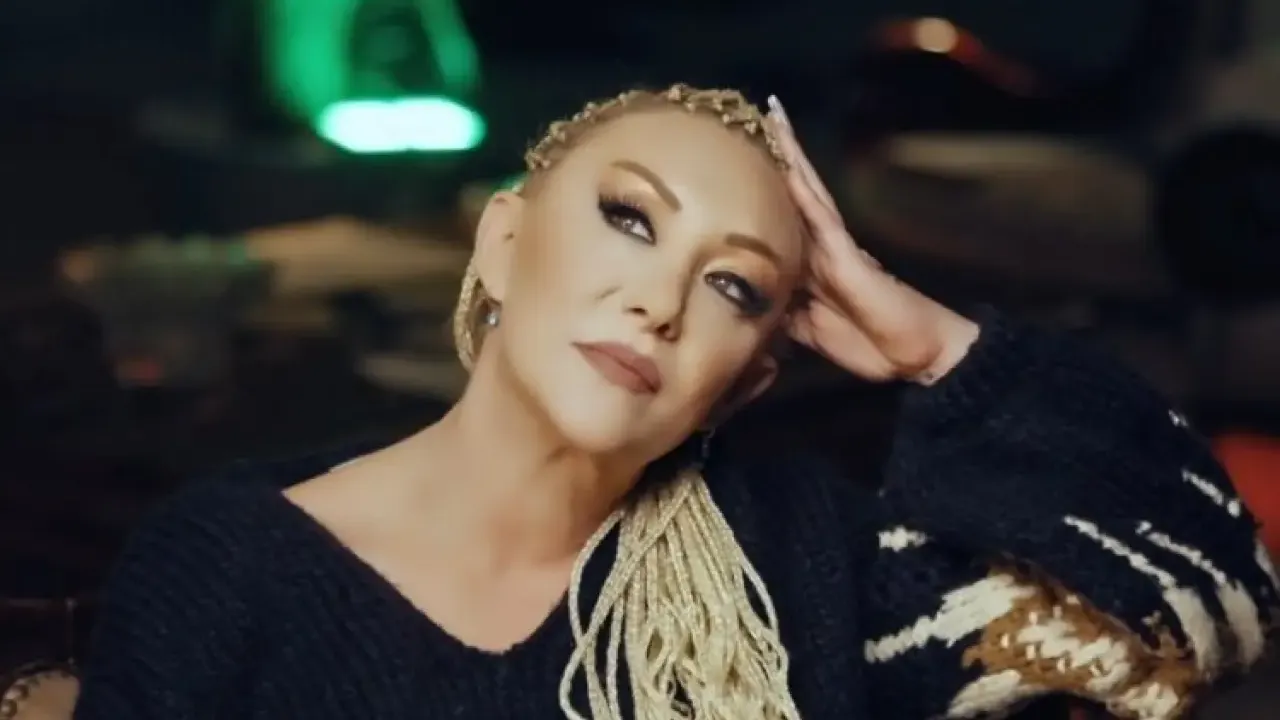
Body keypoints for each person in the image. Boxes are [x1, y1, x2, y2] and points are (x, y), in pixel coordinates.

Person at [74, 84, 1277, 720]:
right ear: (502, 245)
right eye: (629, 218)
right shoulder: (230, 566)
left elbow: (1198, 620)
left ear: (744, 380)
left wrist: (939, 350)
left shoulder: (798, 562)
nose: (658, 301)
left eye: (732, 286)